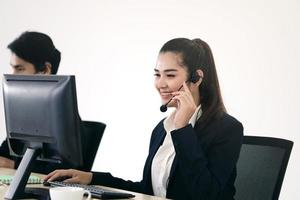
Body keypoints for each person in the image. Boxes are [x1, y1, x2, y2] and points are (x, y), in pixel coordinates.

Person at [45, 38, 244, 200]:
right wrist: (92, 177)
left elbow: (205, 194)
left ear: (196, 78)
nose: (161, 84)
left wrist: (183, 129)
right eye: (157, 75)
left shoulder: (226, 129)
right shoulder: (162, 129)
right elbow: (148, 190)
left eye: (170, 75)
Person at [0, 31, 62, 172]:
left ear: (45, 70)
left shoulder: (61, 115)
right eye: (12, 67)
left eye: (20, 68)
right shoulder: (25, 112)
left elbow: (62, 171)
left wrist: (13, 165)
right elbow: (5, 154)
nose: (12, 75)